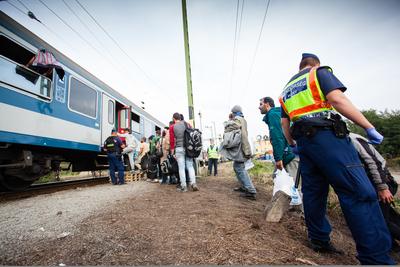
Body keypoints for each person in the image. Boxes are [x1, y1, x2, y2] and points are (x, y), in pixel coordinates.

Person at [279, 53, 395, 264]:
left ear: (300, 66)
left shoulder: (285, 90)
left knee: (314, 193)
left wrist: (293, 144)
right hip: (328, 138)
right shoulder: (319, 73)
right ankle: (376, 258)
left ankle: (319, 239)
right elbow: (336, 99)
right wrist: (368, 127)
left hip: (305, 144)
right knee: (359, 192)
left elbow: (284, 124)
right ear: (315, 63)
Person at [349, 133, 400, 251]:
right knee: (389, 216)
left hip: (382, 184)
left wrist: (382, 187)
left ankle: (390, 246)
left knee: (379, 219)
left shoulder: (352, 139)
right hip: (373, 185)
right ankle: (392, 246)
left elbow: (374, 162)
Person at [259, 96, 298, 178]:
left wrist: (278, 159)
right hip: (289, 153)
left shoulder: (272, 115)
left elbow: (277, 137)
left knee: (293, 186)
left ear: (267, 104)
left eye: (261, 104)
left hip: (289, 156)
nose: (259, 107)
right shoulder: (277, 114)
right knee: (277, 178)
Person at [230, 105, 257, 200]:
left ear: (233, 112)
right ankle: (244, 187)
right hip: (242, 147)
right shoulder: (242, 119)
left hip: (241, 148)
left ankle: (250, 190)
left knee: (240, 168)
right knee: (237, 167)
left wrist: (246, 150)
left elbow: (243, 136)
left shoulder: (237, 119)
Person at [169, 112, 199, 192]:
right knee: (190, 166)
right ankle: (193, 183)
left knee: (181, 168)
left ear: (173, 119)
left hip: (179, 149)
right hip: (188, 148)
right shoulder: (187, 124)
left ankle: (184, 186)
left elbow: (172, 140)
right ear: (180, 118)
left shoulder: (172, 127)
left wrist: (172, 151)